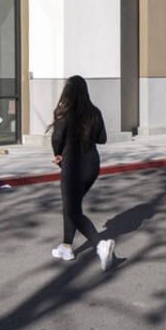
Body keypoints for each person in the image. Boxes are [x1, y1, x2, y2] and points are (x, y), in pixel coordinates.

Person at [50, 75, 113, 269]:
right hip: (92, 165)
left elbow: (57, 138)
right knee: (72, 205)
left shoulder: (64, 111)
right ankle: (66, 247)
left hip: (73, 165)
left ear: (67, 91)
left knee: (72, 209)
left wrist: (57, 154)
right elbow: (102, 139)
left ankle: (100, 244)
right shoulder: (94, 112)